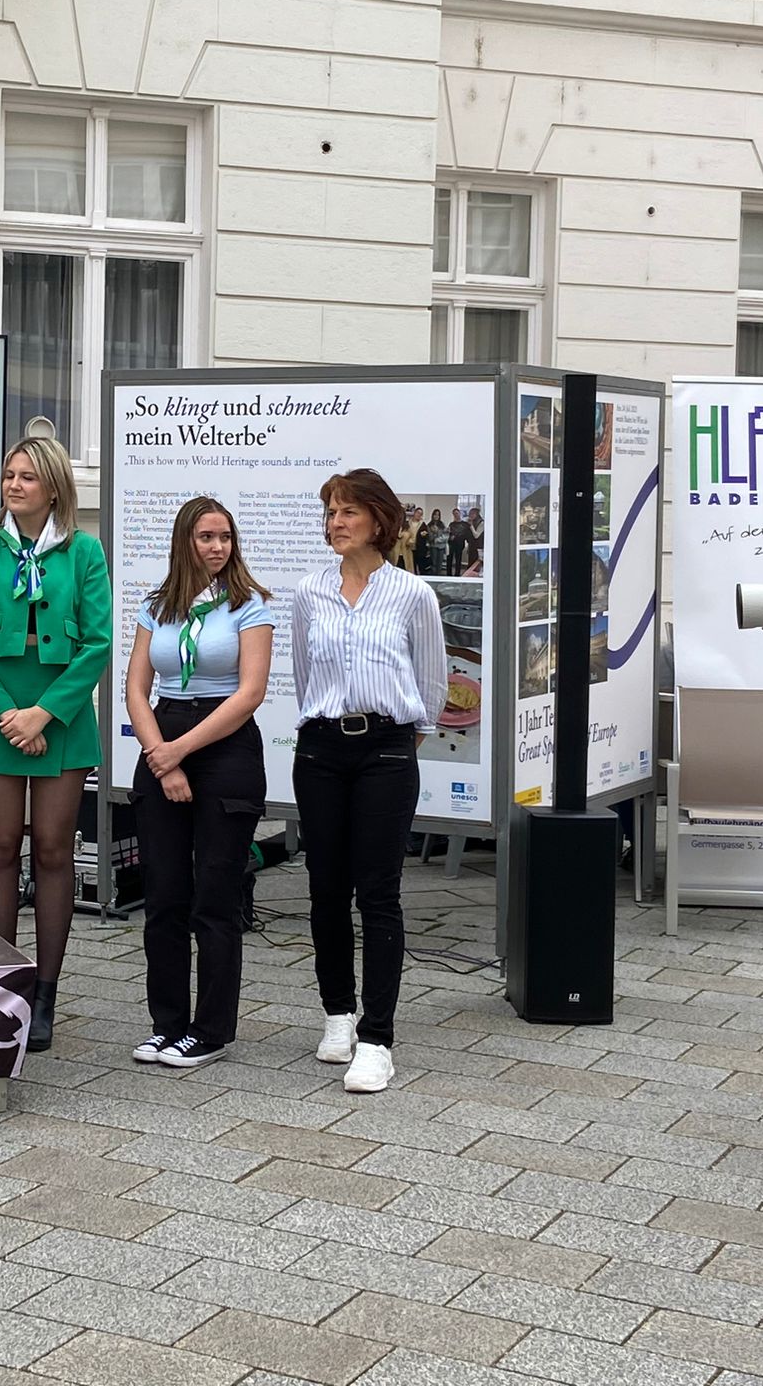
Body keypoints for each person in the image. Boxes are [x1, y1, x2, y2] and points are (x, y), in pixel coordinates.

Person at [0, 436, 112, 1052]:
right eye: (9, 475)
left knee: (51, 850)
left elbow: (97, 642)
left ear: (54, 487)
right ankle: (0, 990)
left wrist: (42, 715)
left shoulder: (84, 551)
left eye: (27, 477)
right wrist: (8, 715)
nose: (14, 485)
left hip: (60, 714)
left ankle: (44, 993)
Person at [290, 468, 446, 1093]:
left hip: (385, 748)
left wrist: (396, 744)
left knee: (378, 893)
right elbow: (305, 675)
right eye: (330, 512)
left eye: (348, 511)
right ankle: (338, 1015)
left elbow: (431, 687)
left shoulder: (412, 594)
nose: (336, 522)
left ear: (379, 520)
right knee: (325, 888)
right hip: (320, 748)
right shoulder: (310, 592)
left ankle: (378, 1038)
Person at [123, 497, 272, 1068]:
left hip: (224, 746)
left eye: (225, 537)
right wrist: (161, 757)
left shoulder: (249, 605)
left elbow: (250, 693)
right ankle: (167, 1024)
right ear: (184, 541)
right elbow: (136, 689)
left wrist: (178, 753)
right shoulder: (156, 606)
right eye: (207, 537)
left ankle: (210, 1031)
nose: (218, 547)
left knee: (215, 896)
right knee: (163, 896)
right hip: (162, 738)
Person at [446, 507, 471, 577]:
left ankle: (457, 574)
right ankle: (448, 574)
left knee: (458, 559)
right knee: (449, 559)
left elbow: (467, 535)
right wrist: (449, 535)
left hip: (460, 544)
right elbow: (449, 534)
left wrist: (469, 544)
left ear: (460, 513)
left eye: (457, 513)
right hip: (451, 544)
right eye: (454, 514)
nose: (456, 515)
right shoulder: (451, 524)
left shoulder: (465, 524)